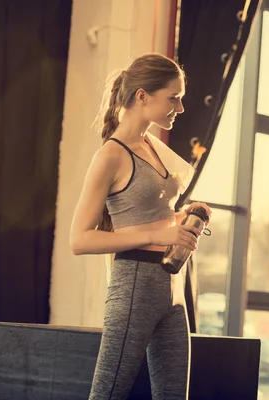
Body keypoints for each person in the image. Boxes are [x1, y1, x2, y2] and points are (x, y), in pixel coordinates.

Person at [70, 53, 210, 400]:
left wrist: (181, 218)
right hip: (134, 284)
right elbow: (79, 239)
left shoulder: (153, 146)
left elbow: (151, 213)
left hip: (172, 287)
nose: (179, 108)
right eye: (173, 98)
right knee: (108, 393)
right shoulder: (111, 155)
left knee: (173, 395)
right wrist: (155, 234)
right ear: (142, 96)